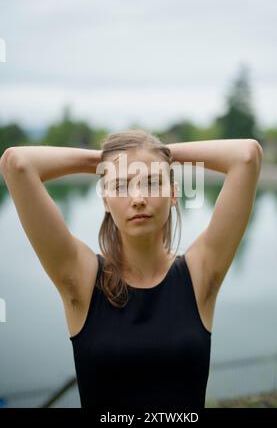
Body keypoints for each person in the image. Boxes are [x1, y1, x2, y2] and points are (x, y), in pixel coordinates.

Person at [0, 129, 263, 413]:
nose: (138, 198)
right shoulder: (82, 279)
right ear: (105, 201)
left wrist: (157, 155)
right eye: (122, 186)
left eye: (152, 183)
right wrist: (105, 161)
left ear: (174, 194)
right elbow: (17, 163)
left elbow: (247, 156)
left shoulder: (201, 274)